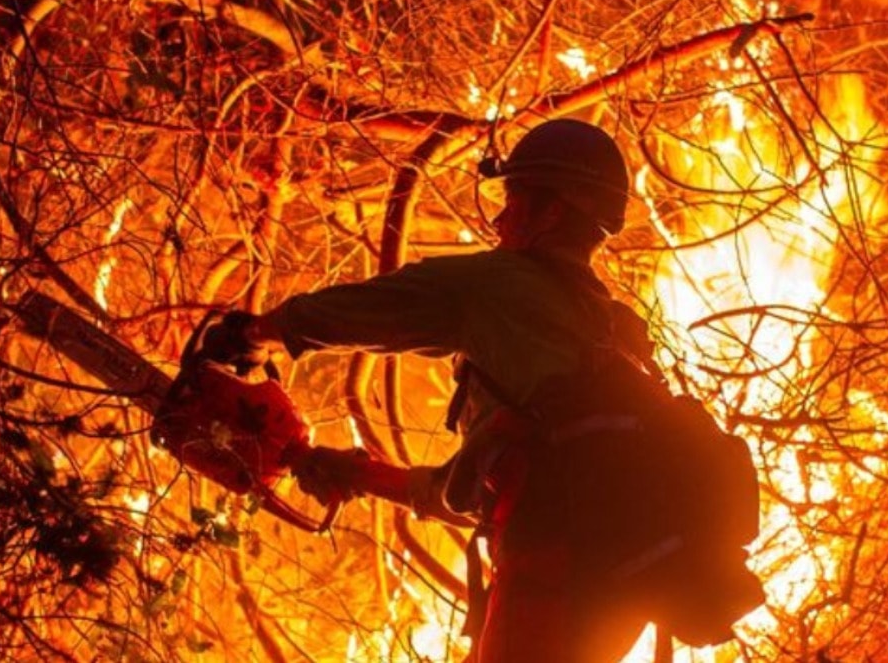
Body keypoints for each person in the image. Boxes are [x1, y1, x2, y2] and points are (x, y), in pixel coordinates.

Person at [202, 119, 677, 661]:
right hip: (612, 599)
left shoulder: (498, 286)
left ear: (553, 211)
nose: (501, 217)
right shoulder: (610, 327)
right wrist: (361, 473)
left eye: (515, 199)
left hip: (549, 576)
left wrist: (257, 334)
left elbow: (371, 310)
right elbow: (487, 495)